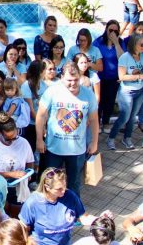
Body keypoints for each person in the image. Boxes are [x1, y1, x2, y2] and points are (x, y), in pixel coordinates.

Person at [20, 168, 96, 245]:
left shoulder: (70, 196)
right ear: (47, 187)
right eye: (59, 189)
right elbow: (22, 234)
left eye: (64, 186)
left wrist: (99, 220)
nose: (64, 191)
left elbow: (83, 218)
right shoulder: (33, 203)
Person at [35, 62, 99, 196]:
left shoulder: (88, 94)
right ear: (62, 77)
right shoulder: (52, 91)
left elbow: (94, 119)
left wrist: (94, 142)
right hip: (54, 149)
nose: (73, 83)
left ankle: (73, 207)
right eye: (69, 80)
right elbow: (40, 115)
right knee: (51, 182)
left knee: (74, 184)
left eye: (76, 80)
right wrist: (39, 139)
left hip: (77, 150)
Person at [0, 112, 34, 215]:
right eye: (8, 139)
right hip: (0, 187)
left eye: (14, 137)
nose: (12, 141)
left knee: (18, 214)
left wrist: (28, 174)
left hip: (19, 188)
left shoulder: (24, 143)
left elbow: (30, 162)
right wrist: (11, 174)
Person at [106, 34, 143, 151]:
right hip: (127, 92)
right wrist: (139, 76)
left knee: (132, 117)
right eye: (141, 45)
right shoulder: (125, 57)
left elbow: (142, 70)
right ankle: (111, 138)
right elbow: (122, 77)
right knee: (124, 117)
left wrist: (139, 72)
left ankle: (127, 138)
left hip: (140, 90)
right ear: (134, 44)